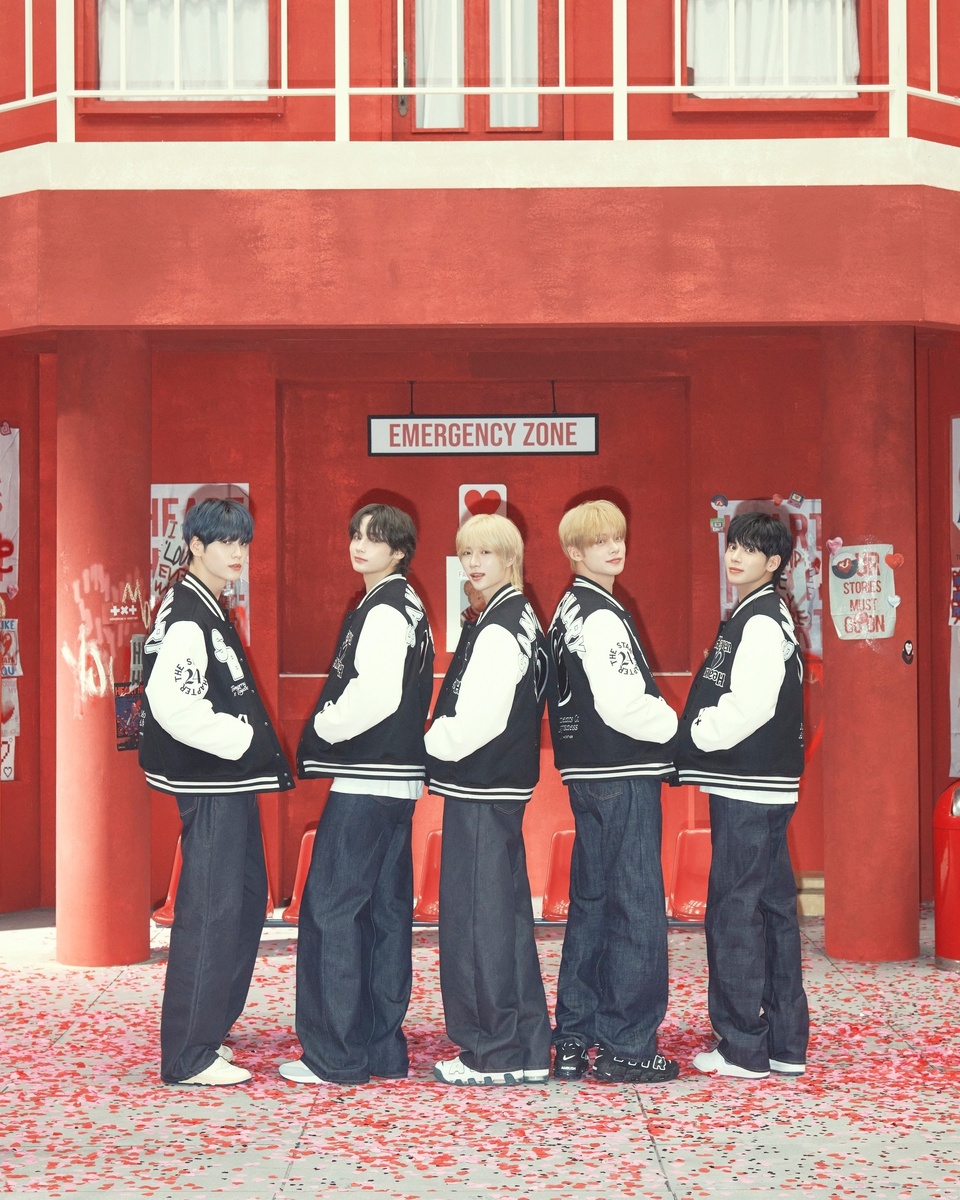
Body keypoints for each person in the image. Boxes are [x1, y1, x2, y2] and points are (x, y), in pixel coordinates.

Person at [139, 497, 295, 1086]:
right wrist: (242, 738)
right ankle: (189, 1055)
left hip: (227, 780)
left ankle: (208, 1034)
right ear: (196, 546)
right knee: (211, 912)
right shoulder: (187, 615)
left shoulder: (206, 605)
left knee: (242, 903)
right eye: (224, 542)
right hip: (212, 782)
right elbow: (172, 704)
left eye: (243, 543)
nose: (237, 553)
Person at [281, 504, 434, 1085]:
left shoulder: (386, 609)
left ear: (399, 551)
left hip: (368, 781)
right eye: (355, 534)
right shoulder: (404, 604)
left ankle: (334, 1056)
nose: (359, 545)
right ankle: (379, 1049)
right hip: (395, 783)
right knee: (382, 915)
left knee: (331, 911)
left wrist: (322, 726)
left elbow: (376, 697)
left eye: (375, 538)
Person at [547, 500, 680, 1085]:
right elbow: (624, 705)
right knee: (636, 908)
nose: (614, 547)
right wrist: (682, 731)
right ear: (574, 551)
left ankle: (574, 1040)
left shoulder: (568, 609)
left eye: (618, 537)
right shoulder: (600, 615)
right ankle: (627, 1046)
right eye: (600, 540)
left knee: (593, 906)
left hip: (585, 774)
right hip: (623, 774)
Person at [675, 510, 808, 1080]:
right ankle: (784, 1044)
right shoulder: (768, 614)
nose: (735, 556)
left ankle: (741, 1047)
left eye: (750, 549)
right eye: (732, 545)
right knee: (772, 911)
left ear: (774, 562)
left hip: (747, 786)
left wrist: (693, 736)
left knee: (734, 912)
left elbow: (749, 707)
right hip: (766, 785)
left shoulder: (758, 621)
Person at [425, 513, 551, 1086]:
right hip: (497, 788)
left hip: (480, 788)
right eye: (466, 553)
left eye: (486, 553)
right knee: (505, 922)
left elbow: (478, 721)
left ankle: (490, 1050)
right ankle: (524, 1047)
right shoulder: (515, 616)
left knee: (477, 925)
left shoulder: (501, 626)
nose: (473, 563)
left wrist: (423, 746)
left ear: (510, 558)